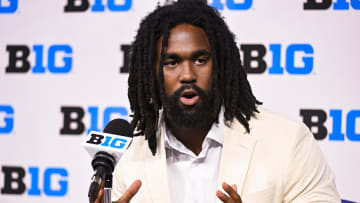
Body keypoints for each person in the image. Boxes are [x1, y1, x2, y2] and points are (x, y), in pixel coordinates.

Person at [94, 0, 340, 202]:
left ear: (220, 65)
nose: (188, 75)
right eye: (172, 62)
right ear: (151, 74)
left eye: (200, 60)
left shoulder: (288, 142)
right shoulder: (126, 155)